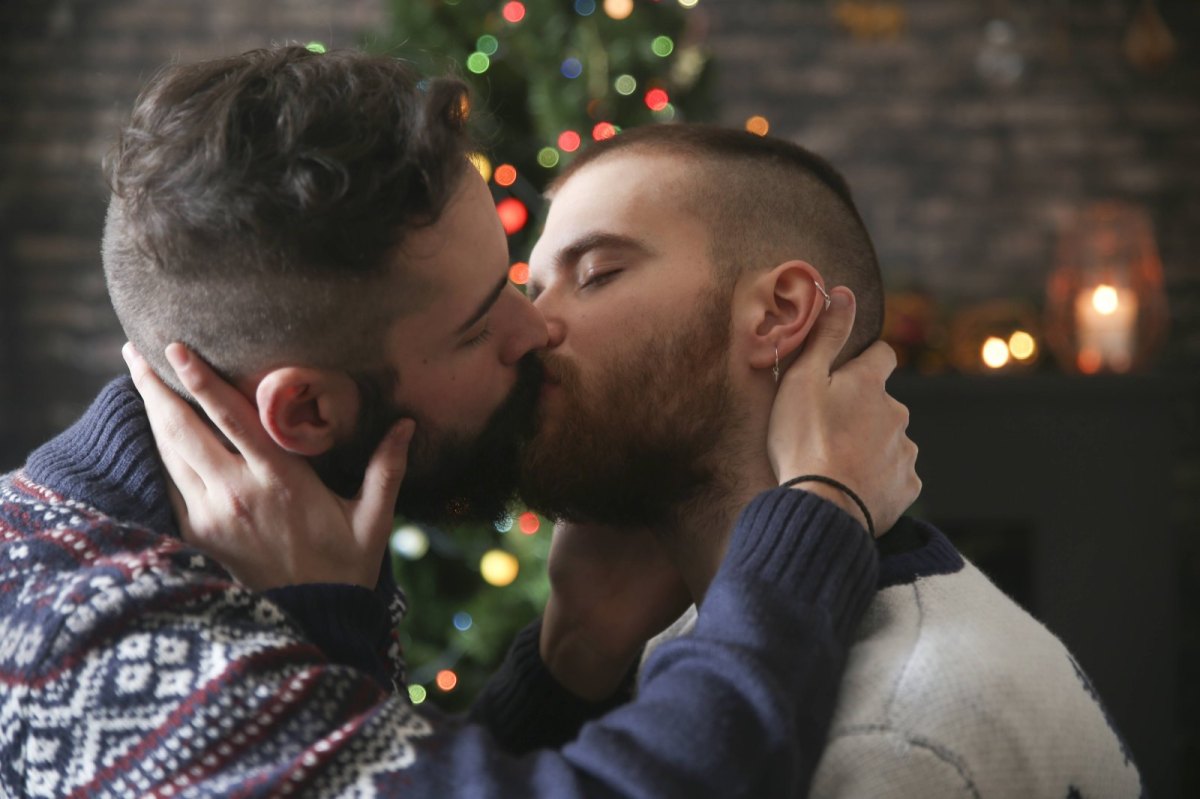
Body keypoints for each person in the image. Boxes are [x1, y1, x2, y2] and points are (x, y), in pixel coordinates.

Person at [0, 46, 920, 797]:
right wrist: (819, 509)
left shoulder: (253, 540)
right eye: (482, 325)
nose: (537, 324)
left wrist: (565, 667)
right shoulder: (107, 648)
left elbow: (398, 779)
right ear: (309, 408)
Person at [515, 124, 1144, 797]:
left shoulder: (896, 740)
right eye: (532, 291)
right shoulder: (689, 667)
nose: (528, 328)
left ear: (780, 312)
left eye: (595, 275)